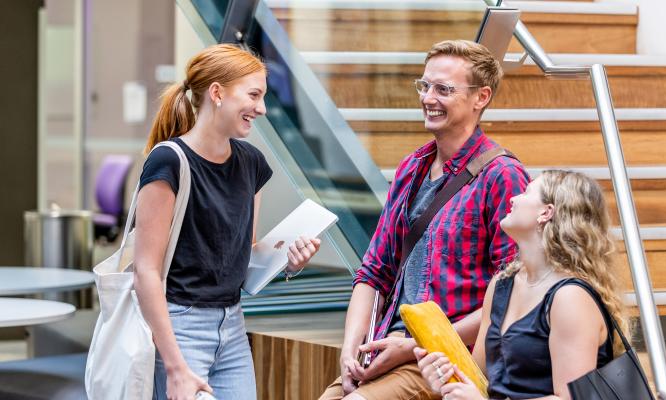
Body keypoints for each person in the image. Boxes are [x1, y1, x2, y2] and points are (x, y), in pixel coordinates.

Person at [319, 40, 530, 400]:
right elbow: (373, 272)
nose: (428, 98)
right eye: (425, 85)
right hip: (389, 343)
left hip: (447, 358)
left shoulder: (502, 175)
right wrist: (350, 349)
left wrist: (413, 343)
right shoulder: (411, 167)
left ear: (481, 97)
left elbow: (514, 295)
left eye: (443, 89)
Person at [134, 44, 320, 400]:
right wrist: (174, 367)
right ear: (217, 93)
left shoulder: (251, 163)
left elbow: (243, 254)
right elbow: (146, 271)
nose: (261, 109)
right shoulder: (168, 162)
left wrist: (291, 261)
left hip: (232, 326)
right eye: (254, 95)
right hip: (179, 328)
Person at [414, 170, 631, 400]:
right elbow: (480, 379)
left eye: (526, 192)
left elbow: (571, 399)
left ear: (546, 213)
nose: (513, 198)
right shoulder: (501, 285)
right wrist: (445, 378)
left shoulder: (570, 297)